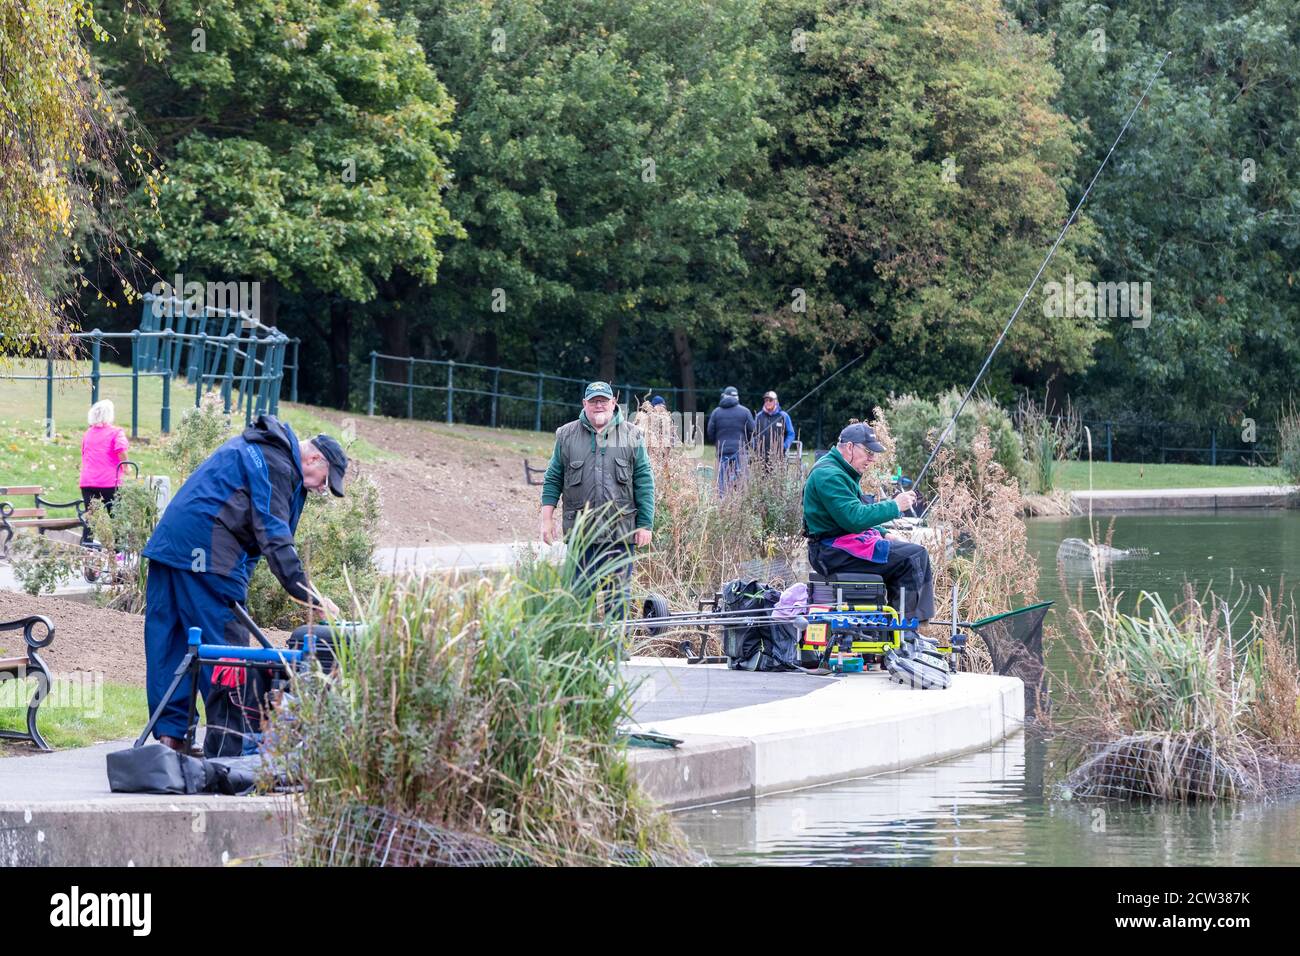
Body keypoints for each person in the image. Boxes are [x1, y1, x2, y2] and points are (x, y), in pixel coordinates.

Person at [140, 414, 348, 752]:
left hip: (169, 546)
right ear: (312, 458)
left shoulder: (256, 447)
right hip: (207, 554)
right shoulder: (277, 463)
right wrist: (312, 596)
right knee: (227, 651)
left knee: (173, 642)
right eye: (326, 480)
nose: (323, 488)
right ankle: (231, 746)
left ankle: (170, 740)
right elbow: (275, 537)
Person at [539, 382, 654, 629]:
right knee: (580, 596)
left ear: (613, 403)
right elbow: (552, 479)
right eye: (593, 401)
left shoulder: (632, 435)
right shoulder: (566, 435)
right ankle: (581, 649)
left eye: (604, 400)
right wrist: (546, 520)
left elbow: (644, 480)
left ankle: (615, 647)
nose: (598, 405)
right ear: (585, 404)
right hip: (581, 534)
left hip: (620, 534)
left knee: (618, 596)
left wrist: (645, 524)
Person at [802, 422, 935, 621]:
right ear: (849, 447)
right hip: (830, 551)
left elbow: (853, 514)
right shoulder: (829, 475)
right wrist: (895, 506)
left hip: (838, 547)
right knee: (913, 557)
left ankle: (893, 626)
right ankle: (907, 632)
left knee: (906, 554)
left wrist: (883, 533)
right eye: (868, 452)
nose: (872, 459)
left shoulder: (840, 471)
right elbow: (854, 518)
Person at [79, 399, 130, 543]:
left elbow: (84, 453)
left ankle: (86, 548)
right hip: (109, 482)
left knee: (91, 517)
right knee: (115, 517)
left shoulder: (88, 434)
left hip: (88, 482)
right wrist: (126, 466)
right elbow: (120, 449)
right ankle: (118, 552)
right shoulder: (116, 432)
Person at [706, 386, 754, 495]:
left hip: (723, 452)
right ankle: (741, 503)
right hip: (741, 452)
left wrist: (717, 444)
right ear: (737, 397)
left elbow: (710, 432)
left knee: (722, 483)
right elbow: (753, 431)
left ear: (724, 396)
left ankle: (723, 505)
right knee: (742, 481)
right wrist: (747, 444)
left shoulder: (716, 412)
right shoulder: (745, 411)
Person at [753, 390, 795, 467]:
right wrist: (755, 446)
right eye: (766, 400)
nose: (768, 402)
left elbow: (791, 434)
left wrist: (784, 446)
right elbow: (753, 434)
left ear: (776, 401)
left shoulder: (783, 416)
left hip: (778, 456)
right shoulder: (758, 416)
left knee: (778, 477)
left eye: (770, 400)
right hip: (760, 456)